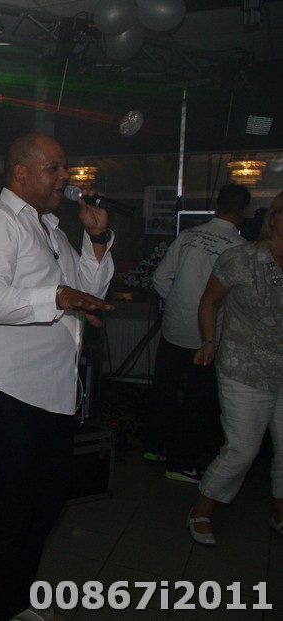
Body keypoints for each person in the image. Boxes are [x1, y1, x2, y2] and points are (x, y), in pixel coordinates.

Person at [0, 132, 115, 621]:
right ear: (21, 172)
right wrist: (56, 297)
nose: (65, 177)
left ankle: (13, 602)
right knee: (12, 508)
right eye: (54, 168)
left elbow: (86, 293)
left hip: (51, 391)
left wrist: (96, 239)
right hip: (5, 388)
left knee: (45, 503)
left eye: (65, 168)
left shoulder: (52, 230)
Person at [186, 192, 283, 546]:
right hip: (245, 368)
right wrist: (209, 341)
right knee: (242, 449)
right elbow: (209, 301)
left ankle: (279, 513)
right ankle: (201, 509)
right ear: (274, 217)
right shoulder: (242, 257)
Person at [144, 183, 251, 483]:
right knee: (198, 399)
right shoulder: (240, 249)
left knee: (164, 388)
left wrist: (179, 302)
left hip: (174, 327)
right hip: (207, 336)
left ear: (217, 206)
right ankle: (180, 463)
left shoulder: (188, 236)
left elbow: (160, 278)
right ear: (244, 211)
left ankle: (154, 447)